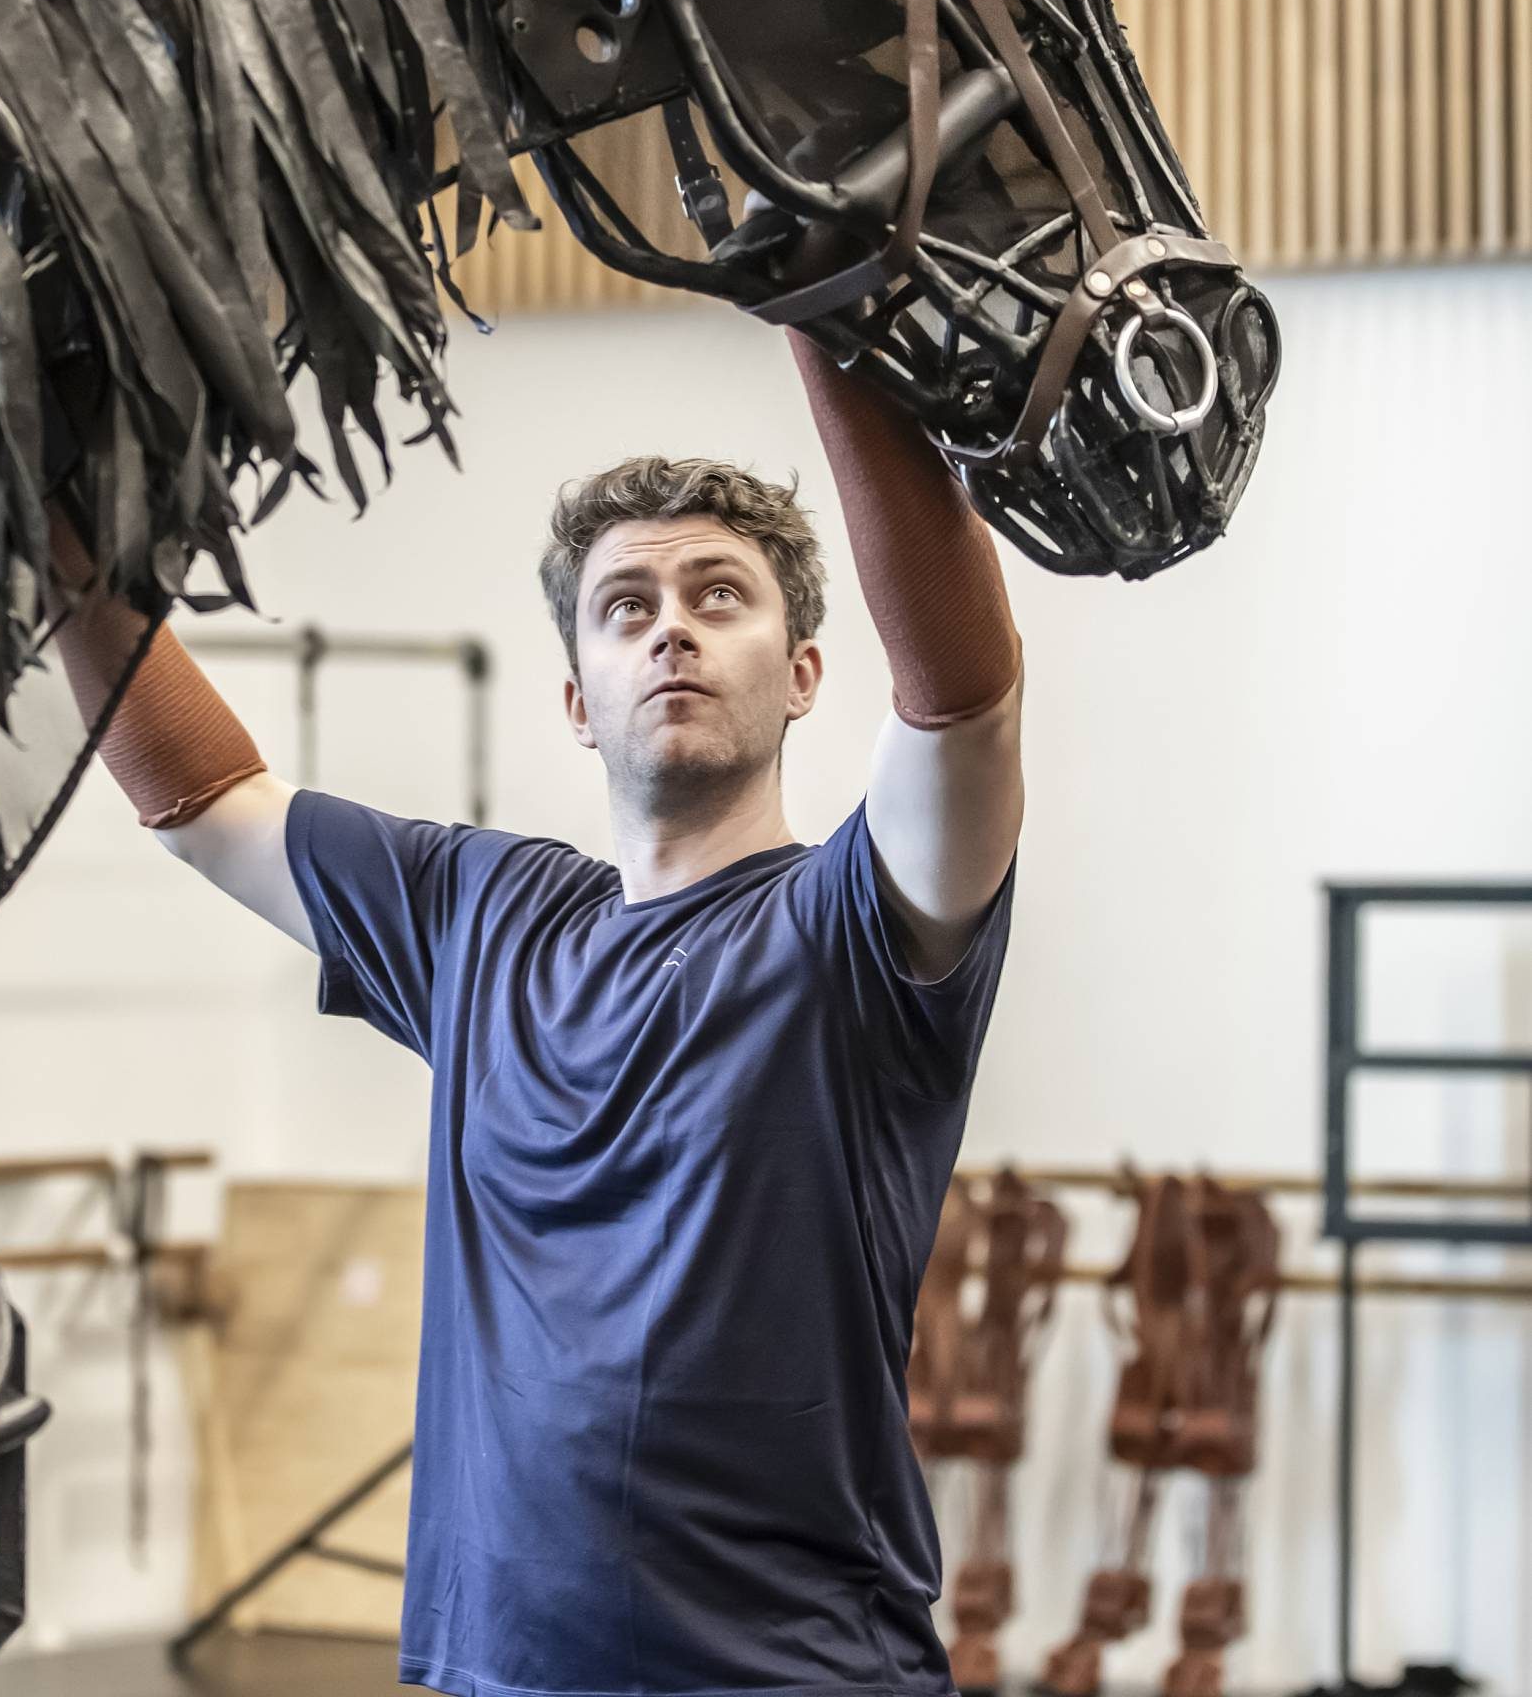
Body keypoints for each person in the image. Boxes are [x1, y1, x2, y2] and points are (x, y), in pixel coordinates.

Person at [50, 328, 1024, 1697]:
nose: (670, 624)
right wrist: (50, 545)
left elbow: (965, 700)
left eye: (719, 595)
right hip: (495, 1670)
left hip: (791, 1674)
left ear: (803, 676)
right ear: (578, 701)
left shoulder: (855, 930)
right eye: (625, 606)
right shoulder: (481, 916)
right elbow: (203, 805)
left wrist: (823, 310)